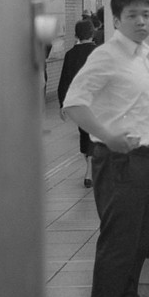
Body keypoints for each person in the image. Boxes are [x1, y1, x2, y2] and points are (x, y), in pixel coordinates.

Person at [62, 0, 149, 297]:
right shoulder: (106, 56)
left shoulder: (141, 56)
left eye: (146, 14)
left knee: (138, 241)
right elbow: (74, 104)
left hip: (144, 160)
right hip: (119, 163)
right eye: (132, 15)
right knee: (118, 245)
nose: (141, 21)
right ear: (117, 19)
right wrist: (107, 136)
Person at [58, 18, 98, 188]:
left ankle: (89, 169)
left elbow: (64, 81)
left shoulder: (70, 55)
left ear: (76, 35)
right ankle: (91, 169)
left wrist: (62, 104)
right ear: (92, 33)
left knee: (84, 133)